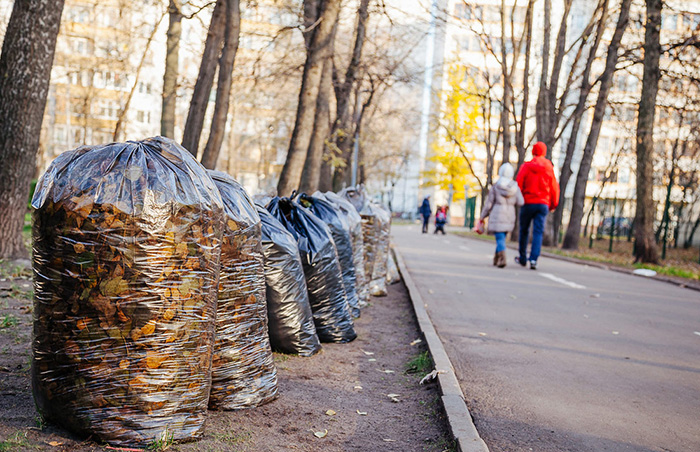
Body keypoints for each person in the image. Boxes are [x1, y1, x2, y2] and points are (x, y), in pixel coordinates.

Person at [515, 141, 560, 270]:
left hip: (528, 202)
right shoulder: (549, 167)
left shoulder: (526, 166)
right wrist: (553, 204)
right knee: (538, 232)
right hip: (542, 204)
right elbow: (554, 188)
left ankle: (523, 257)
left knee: (524, 230)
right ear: (544, 152)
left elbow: (519, 183)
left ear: (533, 151)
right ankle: (533, 259)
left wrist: (520, 199)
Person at [478, 163, 524, 268]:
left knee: (499, 238)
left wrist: (483, 216)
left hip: (497, 214)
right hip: (509, 215)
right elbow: (521, 202)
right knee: (501, 237)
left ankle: (502, 258)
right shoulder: (515, 187)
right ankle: (496, 258)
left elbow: (489, 204)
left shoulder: (496, 186)